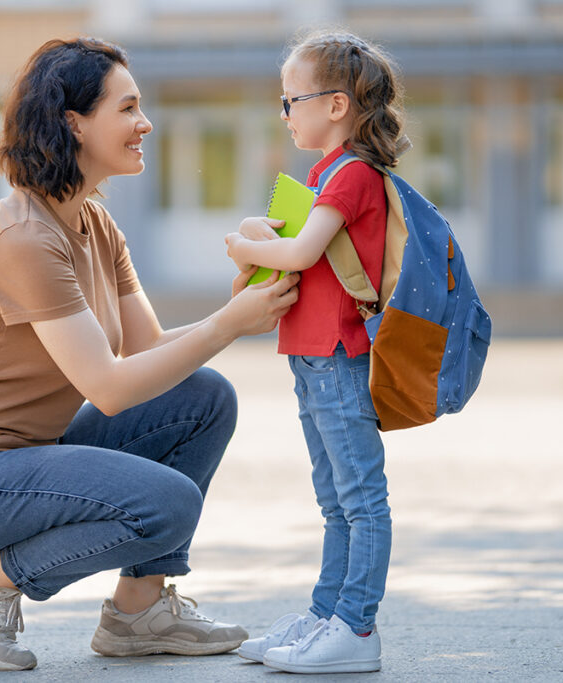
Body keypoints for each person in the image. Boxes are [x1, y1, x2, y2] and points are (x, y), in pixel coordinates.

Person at [0, 36, 299, 672]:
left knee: (203, 396)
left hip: (33, 459)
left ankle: (138, 612)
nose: (145, 124)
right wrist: (227, 325)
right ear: (73, 123)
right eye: (128, 108)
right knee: (169, 505)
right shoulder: (24, 237)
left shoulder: (93, 222)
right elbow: (111, 388)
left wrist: (236, 313)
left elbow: (147, 353)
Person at [223, 29, 407, 674]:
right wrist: (257, 236)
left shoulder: (352, 173)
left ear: (335, 105)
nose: (286, 112)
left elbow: (300, 254)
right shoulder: (325, 172)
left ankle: (356, 629)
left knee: (360, 499)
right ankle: (328, 614)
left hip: (337, 355)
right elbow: (304, 253)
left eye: (291, 100)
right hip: (311, 354)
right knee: (335, 500)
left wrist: (244, 248)